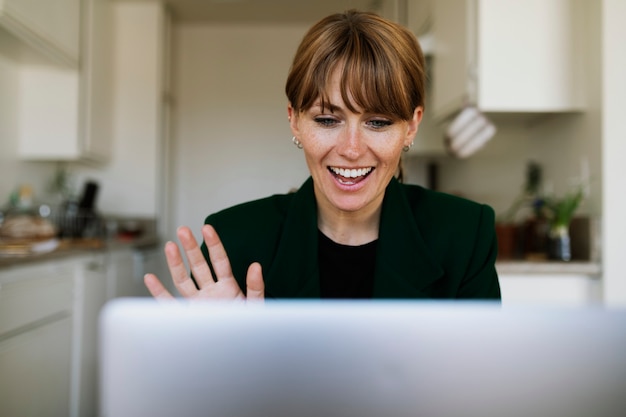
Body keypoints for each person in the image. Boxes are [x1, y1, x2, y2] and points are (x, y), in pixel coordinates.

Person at [144, 9, 501, 301]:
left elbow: (483, 381)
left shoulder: (465, 234)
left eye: (377, 122)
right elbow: (201, 387)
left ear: (411, 126)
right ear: (294, 121)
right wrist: (219, 352)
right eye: (328, 119)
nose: (351, 148)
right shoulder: (234, 240)